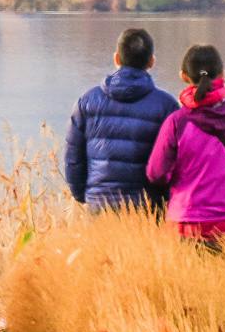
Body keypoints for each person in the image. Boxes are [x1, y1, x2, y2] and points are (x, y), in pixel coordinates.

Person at [145, 43, 225, 245]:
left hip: (188, 222)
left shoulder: (177, 123)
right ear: (223, 73)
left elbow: (156, 173)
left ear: (183, 76)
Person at [64, 27, 179, 212]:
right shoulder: (167, 106)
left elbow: (73, 158)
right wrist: (166, 198)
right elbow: (176, 162)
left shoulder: (86, 102)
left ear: (116, 58)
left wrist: (82, 195)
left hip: (100, 206)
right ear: (151, 61)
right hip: (148, 208)